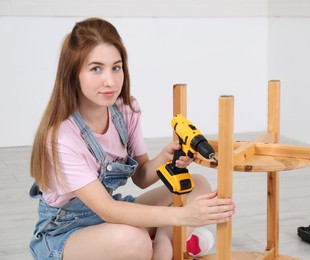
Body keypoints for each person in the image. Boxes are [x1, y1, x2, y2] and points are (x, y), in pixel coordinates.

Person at [29, 17, 235, 260]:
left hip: (112, 213)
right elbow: (108, 210)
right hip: (65, 233)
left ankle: (161, 250)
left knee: (198, 185)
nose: (110, 81)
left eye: (116, 68)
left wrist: (164, 157)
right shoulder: (61, 137)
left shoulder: (126, 110)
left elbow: (141, 178)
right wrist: (184, 217)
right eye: (96, 68)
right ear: (74, 73)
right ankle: (169, 243)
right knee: (132, 241)